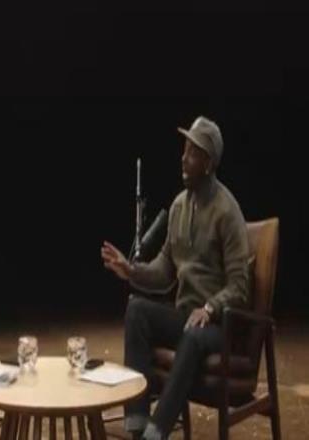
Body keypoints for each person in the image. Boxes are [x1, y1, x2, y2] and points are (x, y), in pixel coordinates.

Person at [101, 116, 250, 440]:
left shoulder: (227, 211)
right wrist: (132, 270)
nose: (183, 159)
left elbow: (240, 286)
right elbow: (164, 271)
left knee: (194, 334)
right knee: (137, 310)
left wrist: (210, 308)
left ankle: (155, 434)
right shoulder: (179, 206)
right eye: (184, 151)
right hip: (186, 318)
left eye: (193, 153)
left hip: (219, 326)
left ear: (208, 163)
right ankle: (137, 425)